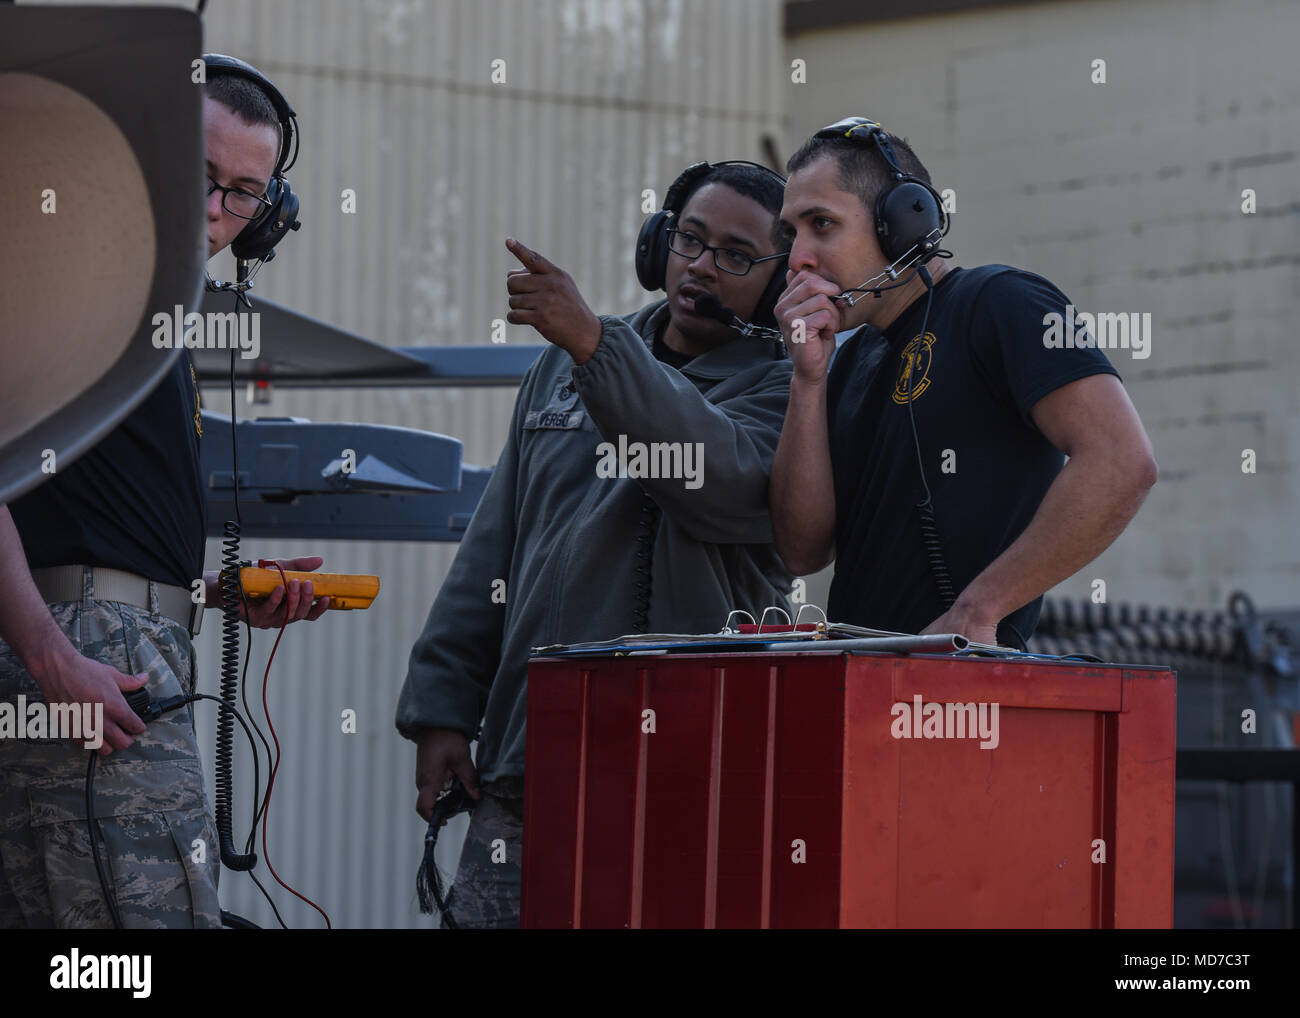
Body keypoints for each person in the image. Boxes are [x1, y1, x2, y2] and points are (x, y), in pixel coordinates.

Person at [396, 161, 795, 928]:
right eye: (690, 239)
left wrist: (593, 347)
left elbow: (719, 481)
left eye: (738, 255)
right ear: (659, 244)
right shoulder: (562, 367)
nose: (703, 265)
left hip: (686, 776)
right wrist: (442, 707)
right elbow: (496, 543)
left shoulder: (789, 393)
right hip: (534, 762)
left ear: (778, 284)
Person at [0, 57, 328, 929]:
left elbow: (89, 523)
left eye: (245, 195)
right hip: (89, 660)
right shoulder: (65, 278)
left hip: (118, 647)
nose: (215, 212)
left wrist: (219, 592)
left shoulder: (154, 314)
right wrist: (49, 657)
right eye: (199, 177)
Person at [771, 117, 1158, 648]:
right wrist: (807, 381)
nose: (798, 259)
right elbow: (803, 552)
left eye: (822, 223)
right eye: (791, 234)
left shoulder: (1004, 301)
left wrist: (980, 608)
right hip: (865, 676)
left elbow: (1121, 462)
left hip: (967, 687)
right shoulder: (848, 358)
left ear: (901, 223)